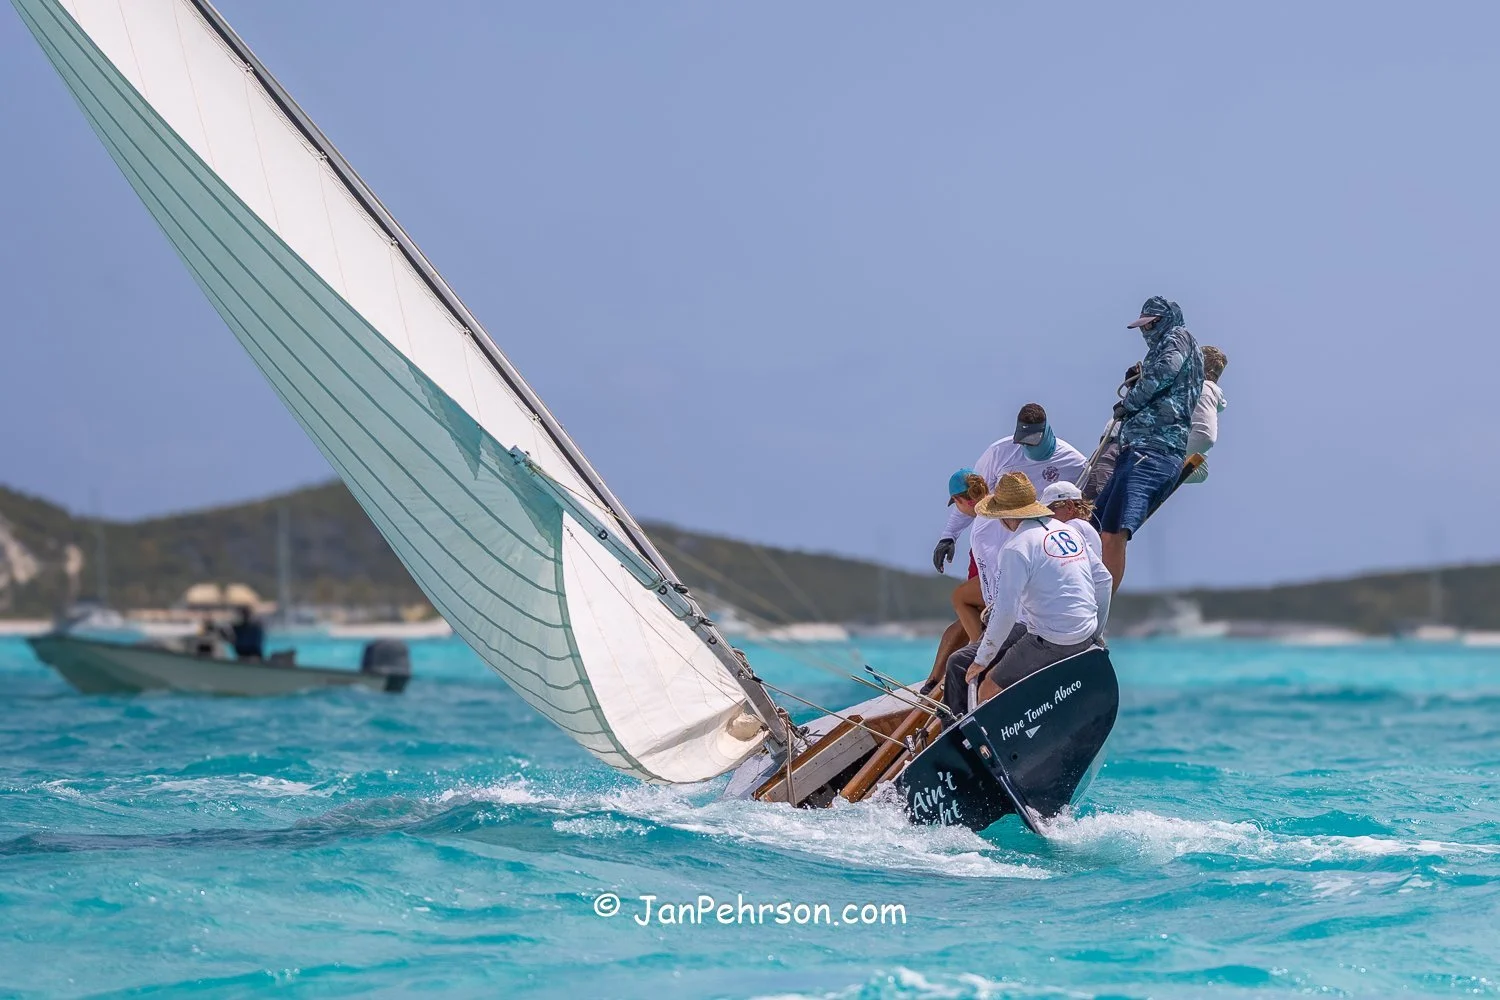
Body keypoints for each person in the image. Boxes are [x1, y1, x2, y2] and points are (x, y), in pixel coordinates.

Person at [940, 473, 1113, 721]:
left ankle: (981, 743)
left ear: (1005, 515)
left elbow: (1006, 613)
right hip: (1085, 634)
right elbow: (1104, 581)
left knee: (988, 685)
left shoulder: (1016, 547)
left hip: (1052, 639)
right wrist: (1096, 632)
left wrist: (981, 660)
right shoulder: (1067, 532)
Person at [1093, 297, 1204, 592]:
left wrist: (1130, 401)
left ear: (1162, 321)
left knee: (1113, 532)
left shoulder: (1177, 337)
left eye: (1150, 325)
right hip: (1139, 448)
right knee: (1098, 526)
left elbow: (1166, 371)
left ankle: (1097, 610)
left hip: (1153, 448)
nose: (1146, 332)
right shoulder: (1170, 343)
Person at [932, 403, 1086, 574]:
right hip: (991, 545)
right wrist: (948, 536)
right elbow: (972, 495)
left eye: (1032, 440)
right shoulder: (999, 452)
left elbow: (1087, 508)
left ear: (1046, 432)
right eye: (1022, 440)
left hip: (1043, 550)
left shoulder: (1075, 462)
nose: (1026, 446)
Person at [1183, 346, 1228, 483]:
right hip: (1196, 452)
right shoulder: (1209, 391)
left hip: (1186, 444)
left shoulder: (1201, 387)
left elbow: (1205, 436)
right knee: (1201, 472)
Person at [1040, 481, 1101, 558]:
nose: (1046, 518)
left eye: (1050, 512)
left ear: (1069, 507)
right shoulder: (1081, 525)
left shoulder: (1075, 526)